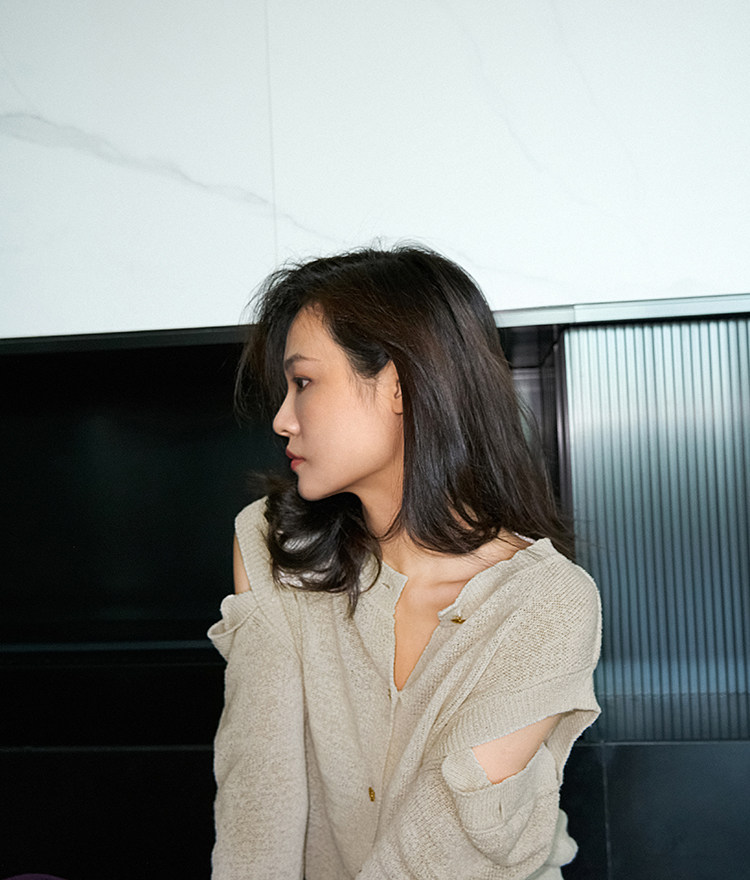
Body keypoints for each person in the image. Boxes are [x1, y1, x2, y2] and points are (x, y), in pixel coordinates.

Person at [209, 245, 601, 879]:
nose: (282, 419)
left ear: (396, 384)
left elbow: (439, 851)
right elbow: (258, 801)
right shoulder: (270, 544)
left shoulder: (546, 601)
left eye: (303, 382)